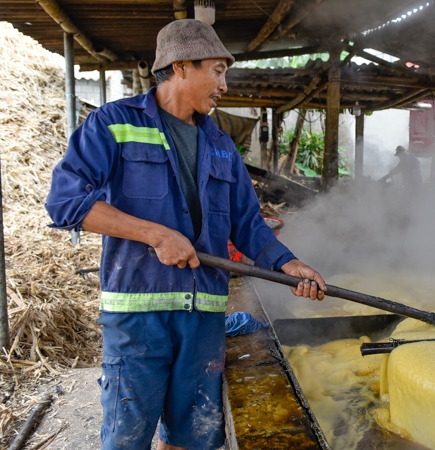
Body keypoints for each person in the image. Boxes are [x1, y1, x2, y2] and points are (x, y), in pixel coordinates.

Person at [45, 20, 326, 450]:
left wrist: (288, 263)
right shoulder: (114, 124)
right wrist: (155, 234)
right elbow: (66, 203)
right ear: (180, 67)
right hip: (140, 317)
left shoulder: (221, 146)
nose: (224, 84)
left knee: (192, 439)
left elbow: (247, 223)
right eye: (217, 70)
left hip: (203, 321)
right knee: (126, 439)